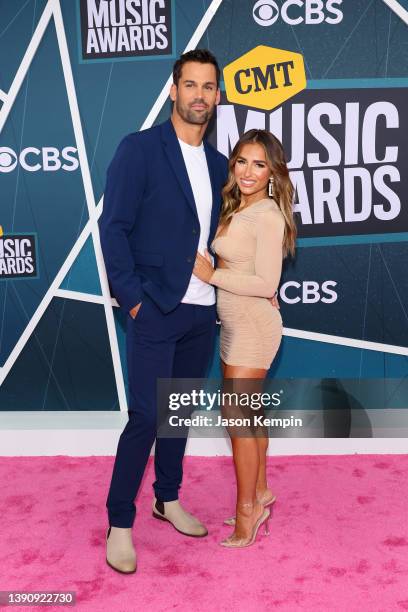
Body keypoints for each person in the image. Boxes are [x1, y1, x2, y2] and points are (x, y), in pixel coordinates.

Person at [99, 49, 228, 574]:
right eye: (190, 85)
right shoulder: (141, 149)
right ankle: (119, 522)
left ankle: (167, 498)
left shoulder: (221, 165)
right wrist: (132, 298)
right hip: (154, 308)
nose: (199, 95)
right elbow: (114, 230)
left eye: (209, 86)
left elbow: (227, 240)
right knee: (148, 417)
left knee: (176, 416)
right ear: (173, 91)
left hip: (202, 313)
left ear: (217, 97)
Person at [193, 129, 297, 548]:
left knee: (237, 420)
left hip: (253, 326)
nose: (248, 171)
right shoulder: (239, 205)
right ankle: (262, 491)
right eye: (242, 161)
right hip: (234, 323)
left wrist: (211, 276)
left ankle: (248, 513)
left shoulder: (268, 215)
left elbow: (267, 282)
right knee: (248, 417)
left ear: (272, 171)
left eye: (259, 164)